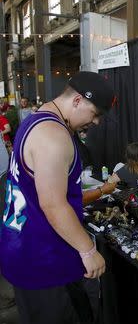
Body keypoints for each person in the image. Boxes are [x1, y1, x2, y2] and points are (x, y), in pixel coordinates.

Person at [0, 71, 115, 324]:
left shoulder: (36, 119)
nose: (95, 122)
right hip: (43, 261)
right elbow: (52, 203)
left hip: (23, 249)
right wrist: (87, 250)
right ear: (77, 101)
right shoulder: (54, 135)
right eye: (95, 113)